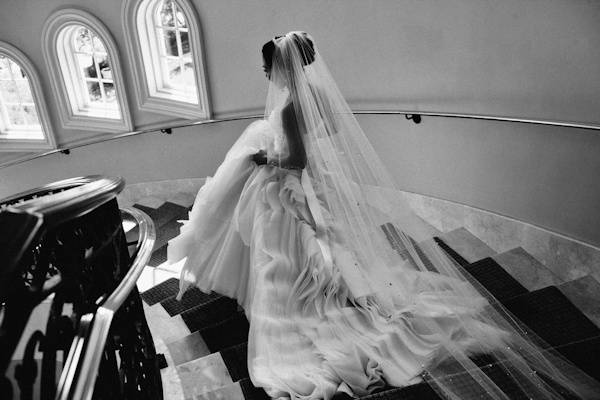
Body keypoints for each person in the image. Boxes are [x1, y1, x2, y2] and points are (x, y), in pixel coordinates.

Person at [168, 31, 600, 399]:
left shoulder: (286, 107)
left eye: (268, 69)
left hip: (292, 192)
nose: (266, 76)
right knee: (330, 256)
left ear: (281, 67)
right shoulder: (313, 95)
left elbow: (294, 162)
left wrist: (264, 158)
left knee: (293, 264)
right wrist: (295, 147)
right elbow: (328, 131)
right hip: (317, 185)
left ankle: (306, 319)